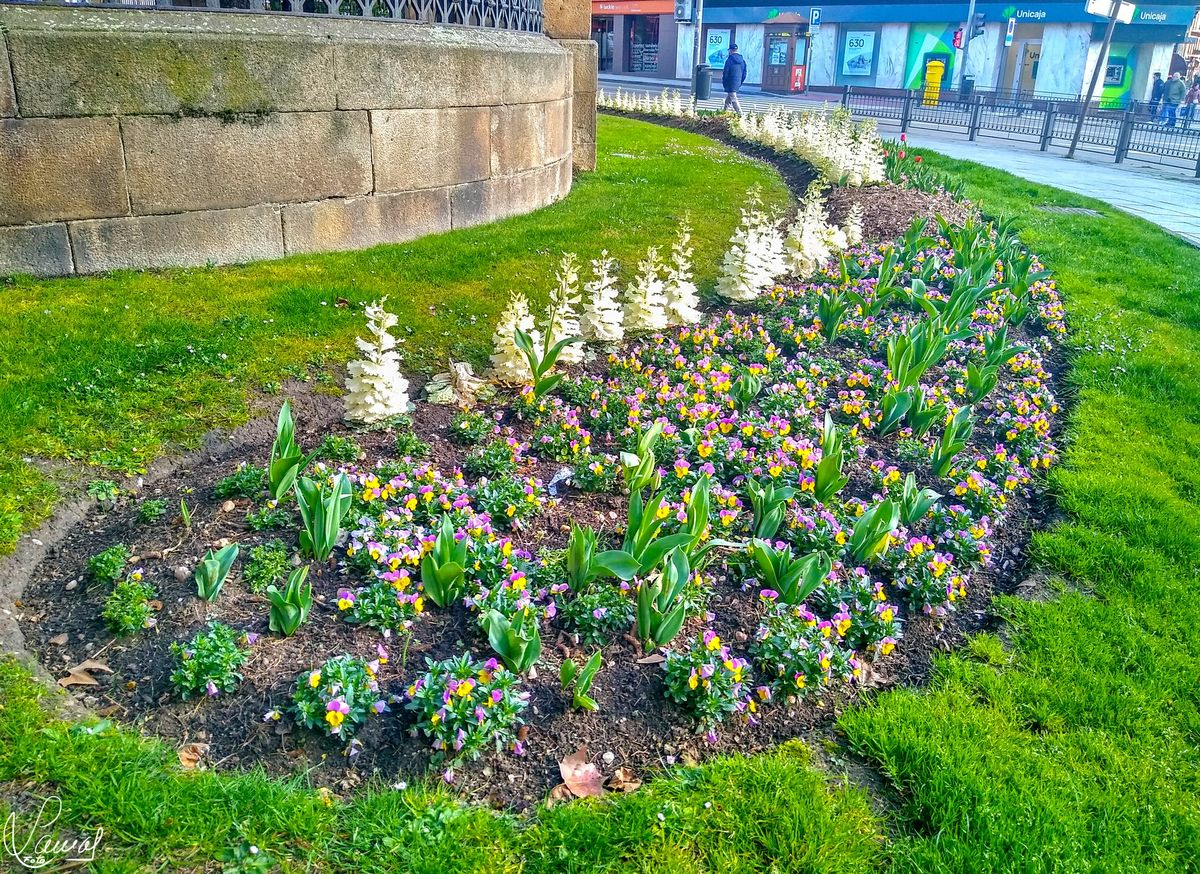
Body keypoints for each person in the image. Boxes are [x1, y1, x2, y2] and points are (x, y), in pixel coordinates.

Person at [722, 43, 747, 115]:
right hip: (738, 81)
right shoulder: (742, 61)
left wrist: (724, 82)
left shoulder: (729, 60)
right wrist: (740, 81)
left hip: (730, 82)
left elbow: (726, 72)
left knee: (733, 98)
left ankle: (740, 114)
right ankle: (724, 112)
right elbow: (744, 73)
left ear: (730, 50)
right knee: (729, 99)